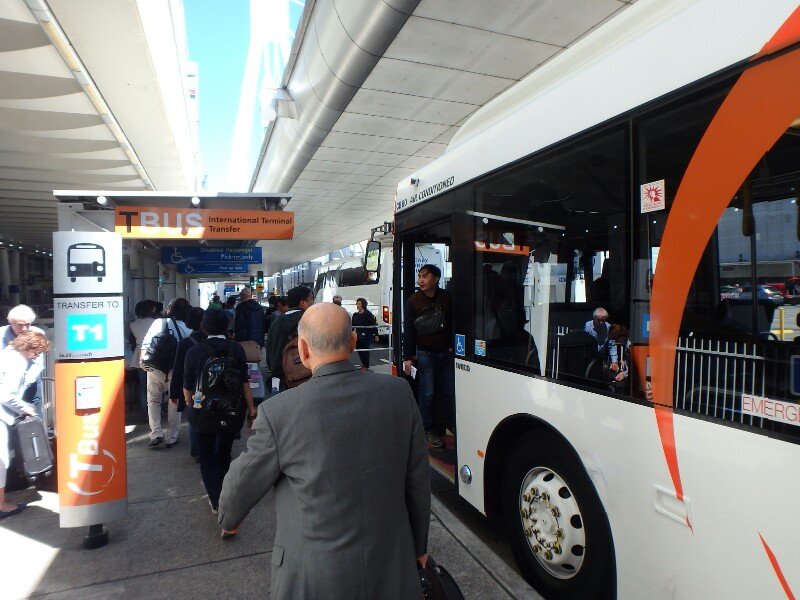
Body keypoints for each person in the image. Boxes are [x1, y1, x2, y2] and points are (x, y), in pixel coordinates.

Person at [218, 303, 430, 598]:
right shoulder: (398, 393)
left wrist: (229, 519)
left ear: (303, 351)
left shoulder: (278, 413)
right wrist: (419, 547)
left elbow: (238, 491)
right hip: (392, 565)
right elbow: (417, 480)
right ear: (354, 342)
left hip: (314, 577)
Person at [183, 309, 255, 515]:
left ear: (204, 327)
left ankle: (216, 502)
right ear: (227, 326)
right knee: (224, 455)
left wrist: (191, 405)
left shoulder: (194, 352)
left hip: (202, 412)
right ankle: (225, 493)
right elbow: (244, 383)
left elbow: (187, 386)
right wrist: (251, 411)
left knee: (206, 458)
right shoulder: (237, 349)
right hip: (231, 412)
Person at [402, 264, 454, 449]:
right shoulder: (413, 301)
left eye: (425, 276)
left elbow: (453, 324)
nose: (420, 280)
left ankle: (448, 425)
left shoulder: (447, 298)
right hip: (425, 353)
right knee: (428, 393)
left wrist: (451, 346)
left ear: (436, 278)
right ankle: (426, 430)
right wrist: (407, 356)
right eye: (419, 276)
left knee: (449, 391)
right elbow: (408, 330)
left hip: (446, 353)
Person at [0, 331, 49, 519]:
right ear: (29, 348)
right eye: (36, 353)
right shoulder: (18, 362)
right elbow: (6, 395)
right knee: (2, 460)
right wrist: (25, 408)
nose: (36, 357)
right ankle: (2, 505)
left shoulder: (5, 353)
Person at [140, 297, 192, 448]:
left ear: (169, 310)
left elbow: (146, 343)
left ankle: (156, 433)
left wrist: (142, 360)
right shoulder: (187, 328)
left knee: (153, 400)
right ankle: (172, 437)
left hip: (155, 367)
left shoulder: (158, 323)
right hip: (175, 370)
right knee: (174, 401)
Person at [170, 306, 205, 461]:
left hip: (194, 390)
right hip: (213, 387)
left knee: (194, 418)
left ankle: (197, 452)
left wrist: (175, 393)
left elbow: (178, 370)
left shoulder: (185, 343)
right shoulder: (212, 341)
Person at [0, 305, 45, 419]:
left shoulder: (37, 334)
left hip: (30, 379)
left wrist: (24, 385)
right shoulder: (1, 335)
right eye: (20, 325)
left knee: (34, 413)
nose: (24, 329)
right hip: (6, 379)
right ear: (11, 323)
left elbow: (37, 362)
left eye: (28, 324)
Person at [265, 286, 314, 392]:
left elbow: (269, 352)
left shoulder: (276, 323)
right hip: (305, 378)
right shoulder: (309, 321)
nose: (312, 302)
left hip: (278, 377)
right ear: (302, 303)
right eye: (311, 299)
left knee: (278, 403)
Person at [129, 300, 156, 415]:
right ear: (151, 310)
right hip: (155, 354)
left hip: (139, 355)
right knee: (156, 386)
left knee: (143, 387)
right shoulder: (157, 322)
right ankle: (155, 412)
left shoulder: (133, 325)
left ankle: (145, 413)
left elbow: (132, 341)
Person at [584, 307, 618, 373]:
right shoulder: (588, 326)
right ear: (594, 318)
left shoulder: (608, 327)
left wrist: (614, 361)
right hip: (590, 357)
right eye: (599, 320)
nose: (601, 323)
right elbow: (586, 343)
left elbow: (612, 345)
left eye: (603, 320)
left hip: (603, 358)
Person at [352, 297, 378, 370]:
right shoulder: (355, 315)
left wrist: (376, 335)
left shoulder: (368, 314)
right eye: (357, 303)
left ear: (363, 305)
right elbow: (352, 326)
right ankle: (364, 364)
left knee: (365, 350)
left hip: (366, 335)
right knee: (359, 350)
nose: (357, 305)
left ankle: (366, 366)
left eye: (359, 304)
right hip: (358, 335)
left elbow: (373, 324)